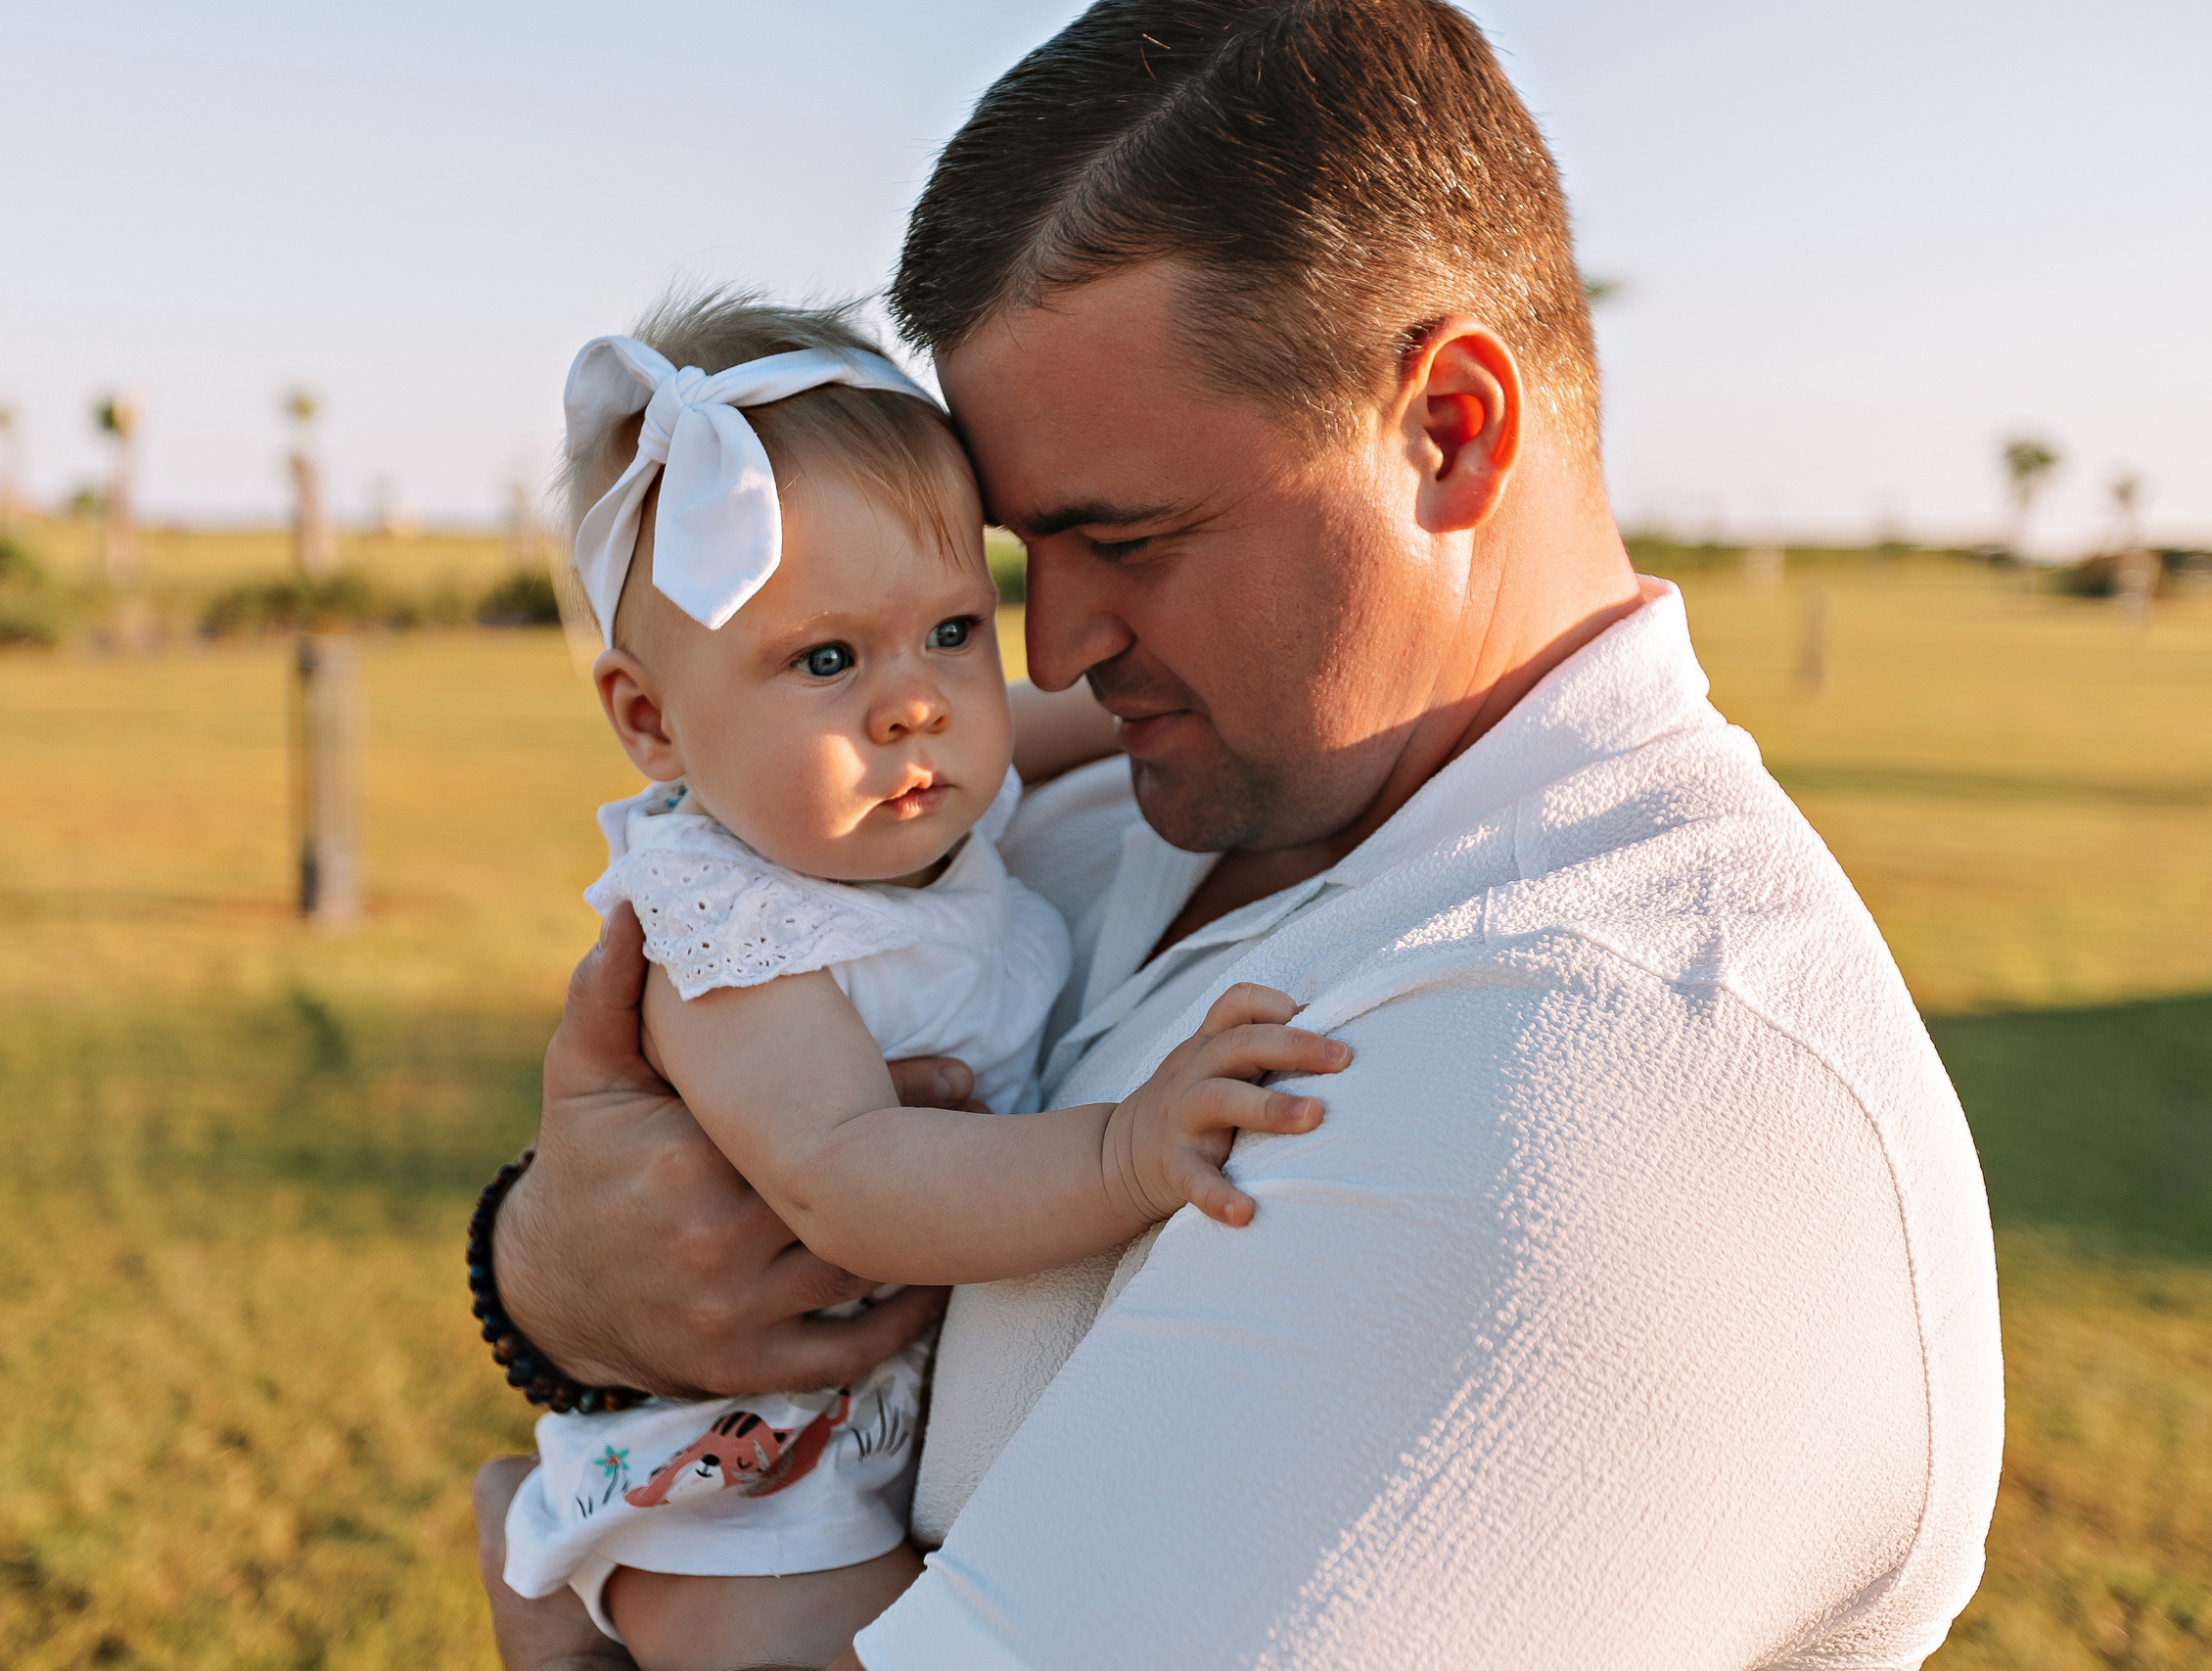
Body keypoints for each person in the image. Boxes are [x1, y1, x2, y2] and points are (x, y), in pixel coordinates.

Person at [478, 2, 2005, 1666]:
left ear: (1451, 432)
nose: (1046, 653)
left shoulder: (1601, 1098)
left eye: (1124, 536)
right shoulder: (1110, 805)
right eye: (1019, 560)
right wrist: (547, 1275)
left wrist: (553, 1635)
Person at [491, 291, 1348, 1671]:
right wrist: (1124, 1153)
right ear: (652, 722)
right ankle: (552, 1584)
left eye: (952, 629)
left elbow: (1088, 717)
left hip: (869, 1443)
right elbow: (851, 1178)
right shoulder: (730, 929)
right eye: (826, 659)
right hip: (753, 1495)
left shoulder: (915, 803)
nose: (916, 702)